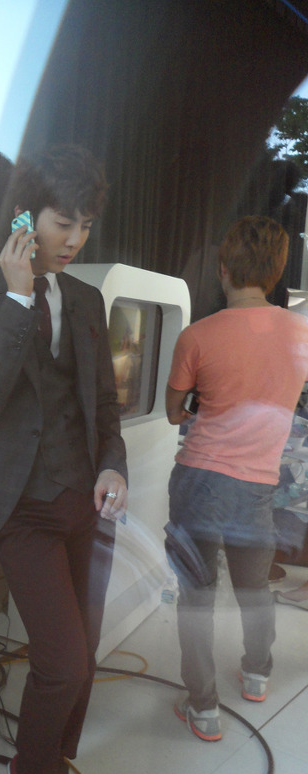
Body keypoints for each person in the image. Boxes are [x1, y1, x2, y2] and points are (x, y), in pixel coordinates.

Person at [0, 145, 128, 774]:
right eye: (63, 222)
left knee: (84, 651)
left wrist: (112, 467)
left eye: (85, 225)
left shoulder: (85, 298)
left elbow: (103, 405)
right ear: (26, 217)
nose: (75, 239)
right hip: (17, 505)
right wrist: (19, 296)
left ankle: (54, 768)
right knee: (62, 659)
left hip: (82, 500)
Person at [165, 215, 308, 741]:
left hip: (199, 481)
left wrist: (197, 404)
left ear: (223, 268)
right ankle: (256, 674)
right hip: (256, 485)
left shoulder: (197, 335)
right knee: (254, 589)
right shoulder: (301, 334)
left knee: (196, 595)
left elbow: (173, 413)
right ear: (275, 272)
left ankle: (203, 707)